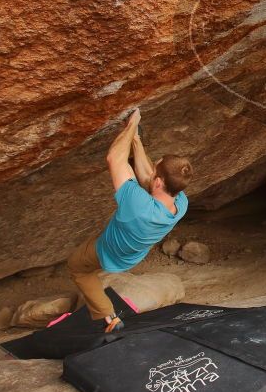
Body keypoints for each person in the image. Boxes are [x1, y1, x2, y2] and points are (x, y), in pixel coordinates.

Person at [67, 108, 192, 332]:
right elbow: (148, 179)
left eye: (156, 169)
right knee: (141, 180)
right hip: (133, 252)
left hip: (109, 250)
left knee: (78, 267)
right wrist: (135, 139)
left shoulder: (138, 205)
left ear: (159, 182)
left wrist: (133, 123)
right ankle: (107, 314)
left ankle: (107, 316)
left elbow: (114, 158)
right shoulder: (180, 202)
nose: (152, 170)